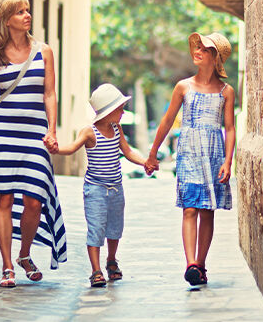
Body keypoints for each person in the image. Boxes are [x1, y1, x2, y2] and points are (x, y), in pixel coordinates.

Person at [0, 0, 67, 288]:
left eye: (27, 11)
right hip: (1, 134)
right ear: (6, 19)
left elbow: (49, 94)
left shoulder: (44, 52)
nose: (27, 15)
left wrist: (52, 129)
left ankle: (24, 254)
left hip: (35, 134)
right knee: (4, 198)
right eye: (20, 12)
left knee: (35, 200)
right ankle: (7, 265)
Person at [145, 32, 235, 286]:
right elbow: (166, 121)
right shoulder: (183, 87)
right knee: (190, 207)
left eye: (205, 49)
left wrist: (228, 161)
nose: (197, 51)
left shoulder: (226, 92)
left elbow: (230, 129)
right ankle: (191, 264)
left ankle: (201, 265)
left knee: (208, 211)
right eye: (197, 47)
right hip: (189, 153)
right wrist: (153, 154)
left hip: (214, 154)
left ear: (215, 57)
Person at [57, 83, 148, 287]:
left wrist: (145, 163)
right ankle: (96, 270)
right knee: (96, 228)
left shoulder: (117, 128)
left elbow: (127, 151)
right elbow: (72, 147)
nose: (123, 112)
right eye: (120, 109)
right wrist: (55, 149)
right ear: (108, 111)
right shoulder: (89, 132)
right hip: (95, 190)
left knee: (115, 228)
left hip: (116, 188)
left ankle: (111, 260)